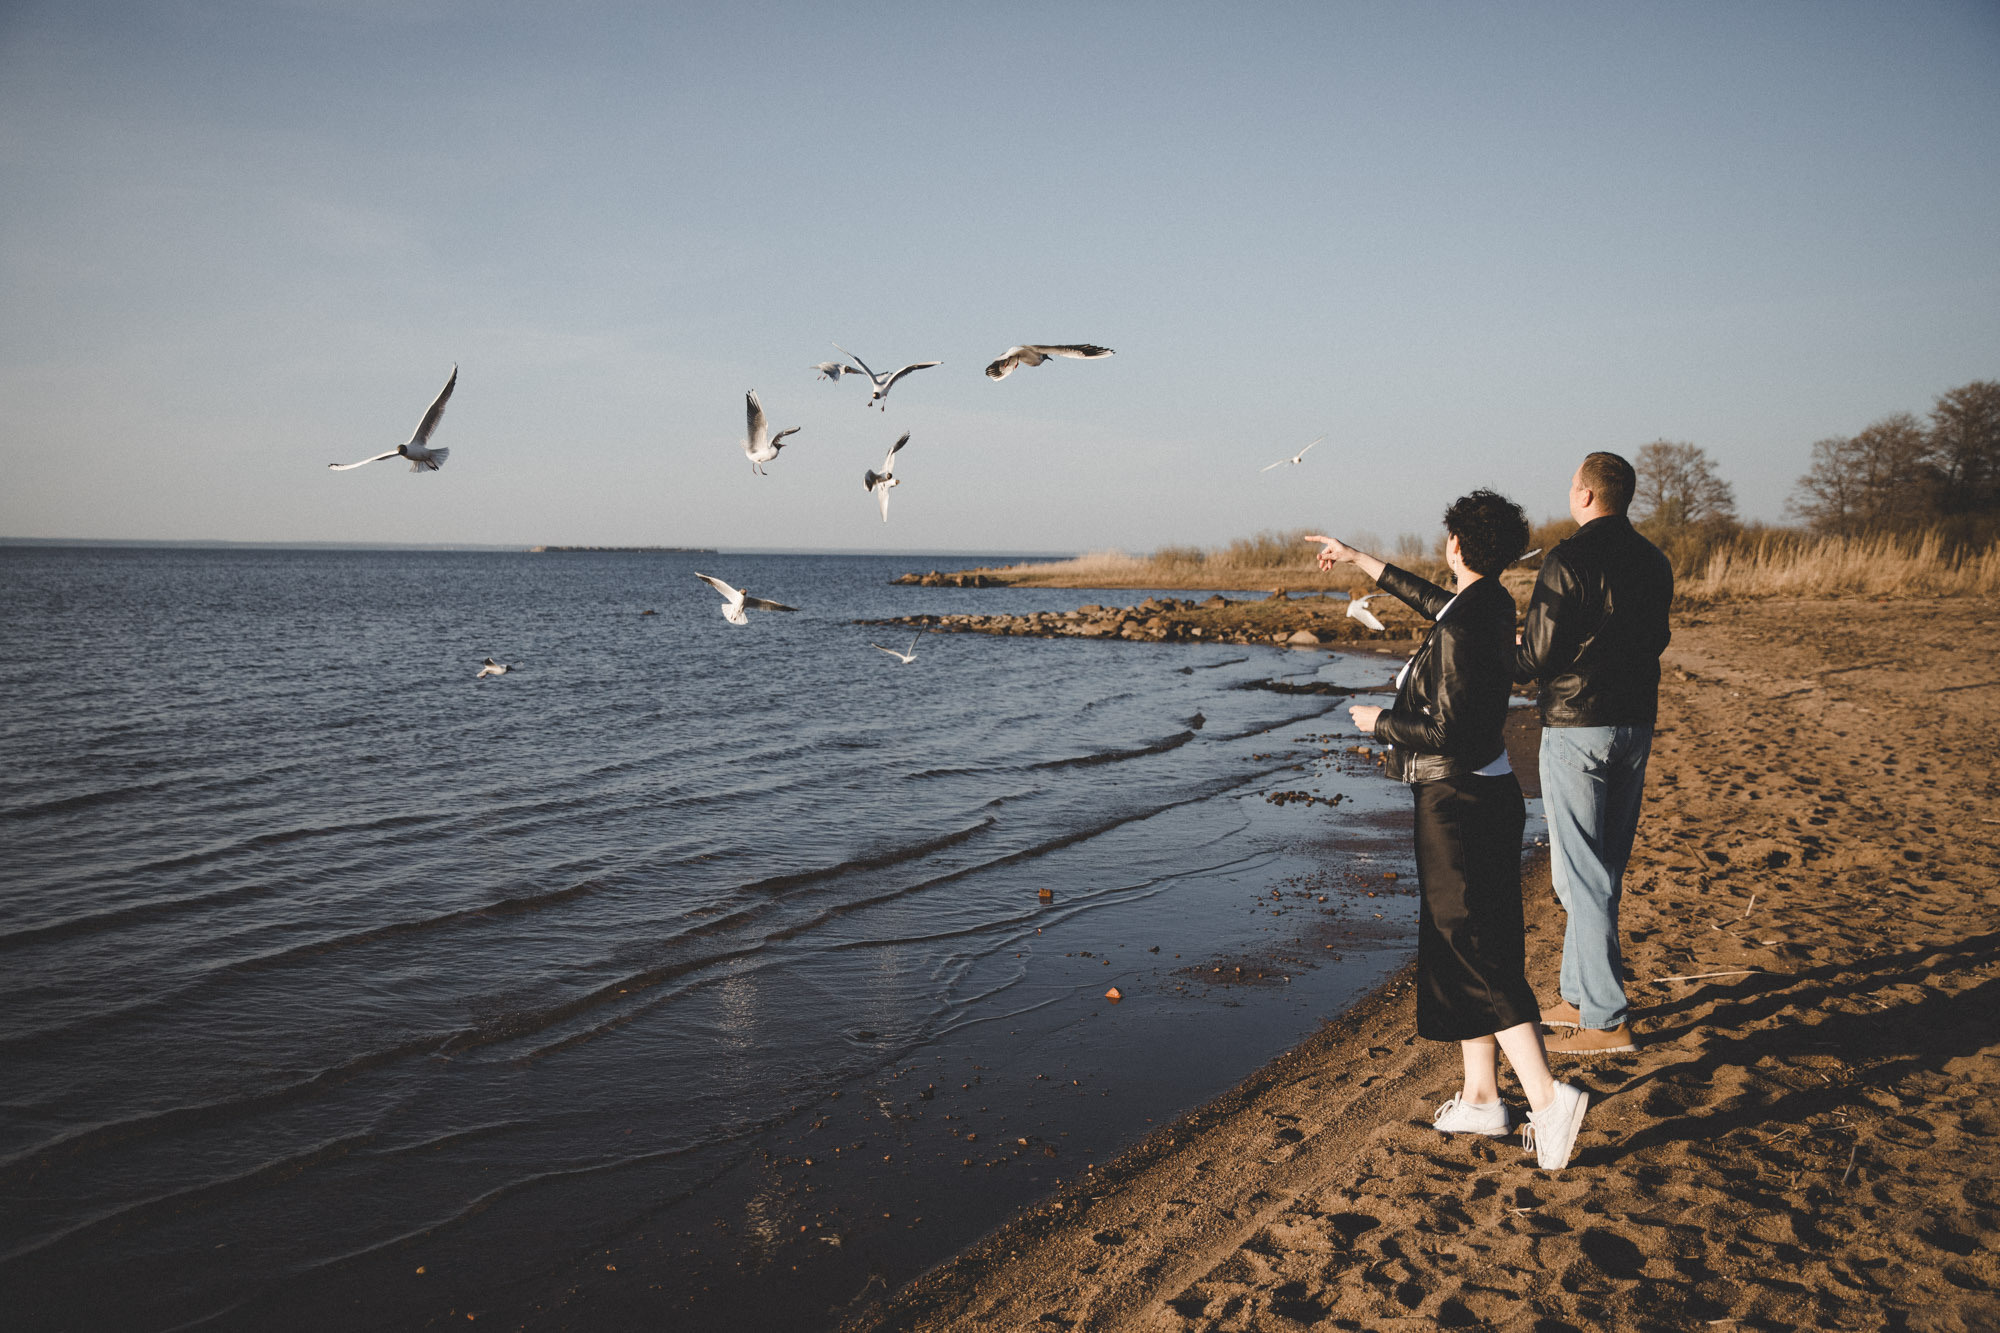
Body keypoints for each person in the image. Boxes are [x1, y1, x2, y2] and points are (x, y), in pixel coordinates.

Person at [1306, 490, 1589, 1171]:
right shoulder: (1486, 603)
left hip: (1459, 801)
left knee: (1473, 948)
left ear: (1456, 544)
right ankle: (1483, 1097)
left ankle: (1549, 1099)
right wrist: (1359, 559)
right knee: (1462, 941)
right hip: (1479, 795)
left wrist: (1380, 722)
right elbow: (1432, 599)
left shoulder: (1467, 621)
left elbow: (1447, 731)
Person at [1513, 451, 1674, 1054]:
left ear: (1584, 494)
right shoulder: (1654, 559)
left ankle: (1606, 1021)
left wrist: (1489, 656)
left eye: (1571, 485)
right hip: (1634, 725)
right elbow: (1657, 638)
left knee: (1580, 875)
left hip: (1578, 726)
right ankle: (1578, 995)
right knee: (1601, 868)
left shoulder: (1567, 559)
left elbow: (1537, 657)